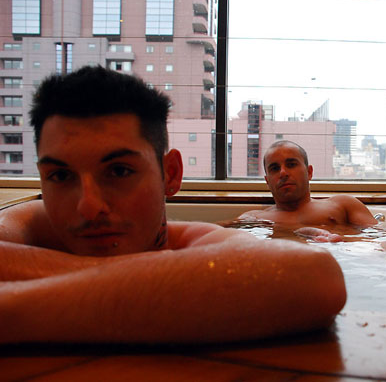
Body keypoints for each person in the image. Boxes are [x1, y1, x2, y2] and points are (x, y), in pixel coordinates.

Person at [0, 66, 346, 344]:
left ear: (170, 174)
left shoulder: (201, 242)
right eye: (60, 176)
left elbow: (316, 280)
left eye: (118, 171)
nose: (88, 207)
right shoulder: (34, 220)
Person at [239, 140, 386, 272]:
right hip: (289, 266)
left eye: (291, 164)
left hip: (358, 258)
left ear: (309, 172)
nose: (283, 173)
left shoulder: (341, 204)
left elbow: (379, 233)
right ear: (267, 180)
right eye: (274, 168)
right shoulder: (254, 218)